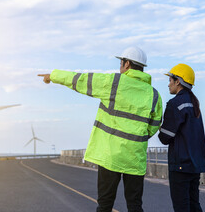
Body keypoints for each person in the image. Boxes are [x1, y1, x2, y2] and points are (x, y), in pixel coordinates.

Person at [38, 47, 163, 212]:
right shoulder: (154, 95)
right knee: (134, 205)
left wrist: (53, 76)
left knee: (105, 205)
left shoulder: (114, 83)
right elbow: (154, 125)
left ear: (127, 64)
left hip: (110, 156)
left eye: (121, 63)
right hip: (134, 158)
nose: (120, 66)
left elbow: (81, 80)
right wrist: (136, 138)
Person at [158, 63, 205, 212]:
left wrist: (159, 126)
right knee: (194, 205)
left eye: (170, 80)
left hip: (180, 166)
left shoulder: (175, 104)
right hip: (195, 165)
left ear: (178, 81)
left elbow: (165, 137)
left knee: (181, 207)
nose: (168, 84)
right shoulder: (194, 103)